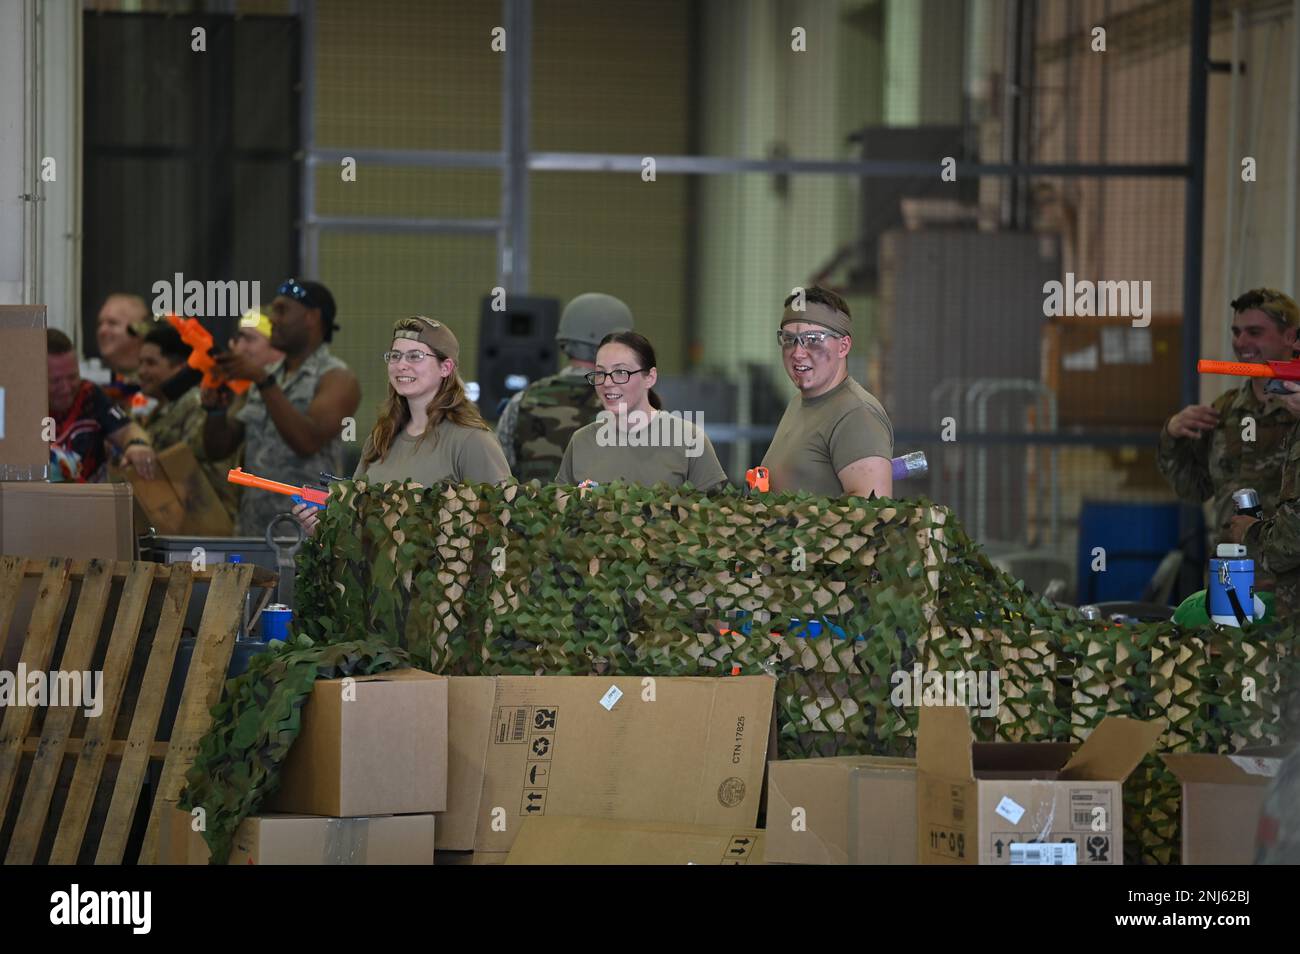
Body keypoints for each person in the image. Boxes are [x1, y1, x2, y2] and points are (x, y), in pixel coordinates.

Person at [292, 316, 510, 534]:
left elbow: (503, 525)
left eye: (415, 356)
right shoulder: (380, 439)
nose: (401, 365)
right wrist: (323, 529)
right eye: (395, 356)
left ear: (445, 367)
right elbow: (357, 530)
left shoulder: (472, 441)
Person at [201, 278, 361, 535]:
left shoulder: (337, 378)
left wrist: (264, 381)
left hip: (308, 536)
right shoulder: (267, 376)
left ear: (311, 317)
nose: (272, 319)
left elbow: (307, 442)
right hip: (254, 531)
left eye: (281, 310)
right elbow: (218, 449)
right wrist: (215, 411)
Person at [1159, 288, 1299, 552]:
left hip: (1287, 574)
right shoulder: (1225, 409)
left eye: (1254, 332)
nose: (1241, 342)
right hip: (1230, 568)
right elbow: (1195, 489)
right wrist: (1172, 435)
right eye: (1236, 332)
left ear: (1290, 337)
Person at [760, 286, 894, 498]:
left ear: (843, 346)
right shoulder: (799, 403)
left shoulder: (857, 414)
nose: (798, 353)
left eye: (813, 339)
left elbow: (873, 511)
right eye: (789, 339)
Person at [555, 331, 728, 490]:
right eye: (600, 373)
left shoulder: (689, 440)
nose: (607, 383)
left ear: (650, 378)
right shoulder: (581, 441)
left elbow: (715, 510)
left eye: (620, 372)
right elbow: (560, 502)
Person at [497, 293, 634, 481]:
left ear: (565, 341)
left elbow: (499, 474)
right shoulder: (630, 405)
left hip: (533, 501)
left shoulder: (521, 401)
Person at [136, 324, 241, 521]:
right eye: (140, 362)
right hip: (175, 517)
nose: (141, 371)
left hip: (205, 521)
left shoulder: (197, 403)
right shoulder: (159, 409)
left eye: (151, 363)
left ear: (180, 367)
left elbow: (194, 459)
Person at [46, 329, 157, 482]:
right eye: (55, 381)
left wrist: (137, 444)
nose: (66, 388)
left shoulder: (90, 395)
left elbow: (127, 429)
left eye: (72, 377)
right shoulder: (19, 407)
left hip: (93, 494)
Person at [94, 292, 152, 407]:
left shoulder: (155, 382)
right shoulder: (90, 381)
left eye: (112, 323)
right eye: (100, 324)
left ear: (139, 330)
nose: (102, 331)